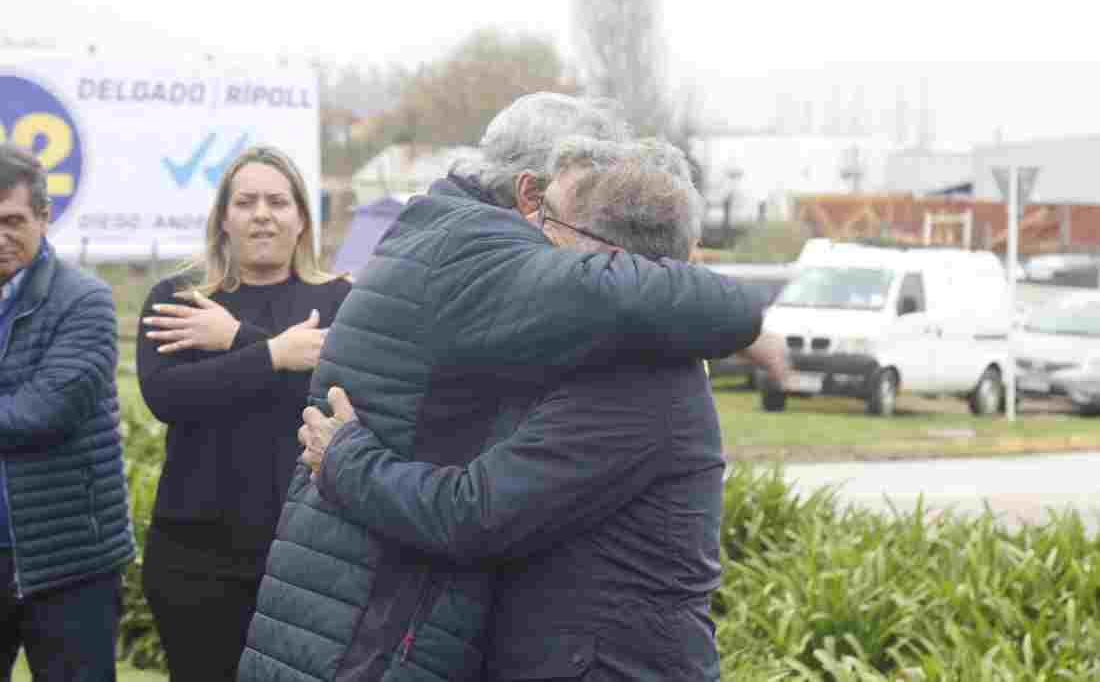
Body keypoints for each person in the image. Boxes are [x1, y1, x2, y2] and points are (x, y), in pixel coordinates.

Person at [239, 96, 782, 682]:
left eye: (551, 217)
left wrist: (348, 460)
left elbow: (478, 514)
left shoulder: (640, 377)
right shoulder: (482, 251)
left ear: (611, 260)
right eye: (539, 208)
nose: (536, 229)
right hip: (365, 630)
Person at [135, 146, 351, 680]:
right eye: (246, 201)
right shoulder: (179, 300)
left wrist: (235, 340)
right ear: (223, 220)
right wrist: (275, 354)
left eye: (278, 201)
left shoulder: (342, 300)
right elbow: (169, 397)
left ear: (302, 218)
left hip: (305, 550)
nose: (262, 213)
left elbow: (336, 398)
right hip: (194, 553)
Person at [0, 143, 135, 681]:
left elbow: (44, 411)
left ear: (44, 217)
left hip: (70, 561)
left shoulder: (85, 301)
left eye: (12, 220)